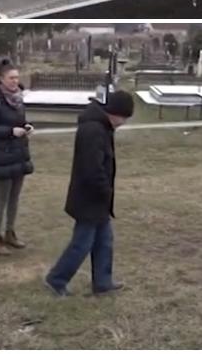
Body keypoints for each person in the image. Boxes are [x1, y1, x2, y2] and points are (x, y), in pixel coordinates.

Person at [44, 91, 135, 297]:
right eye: (124, 118)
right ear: (115, 113)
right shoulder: (93, 130)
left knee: (105, 241)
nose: (124, 123)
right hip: (89, 197)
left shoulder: (102, 127)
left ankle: (102, 282)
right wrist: (104, 190)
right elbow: (91, 168)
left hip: (98, 198)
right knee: (82, 244)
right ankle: (56, 279)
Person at [0, 59, 35, 256]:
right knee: (1, 199)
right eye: (11, 78)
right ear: (1, 79)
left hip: (19, 153)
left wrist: (26, 126)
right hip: (3, 155)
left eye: (17, 77)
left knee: (15, 198)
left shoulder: (18, 98)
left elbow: (20, 120)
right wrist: (10, 131)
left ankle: (10, 233)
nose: (15, 81)